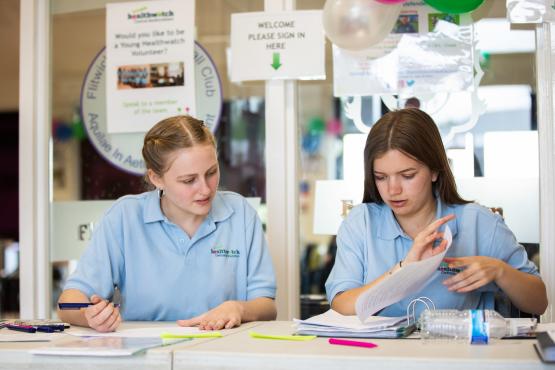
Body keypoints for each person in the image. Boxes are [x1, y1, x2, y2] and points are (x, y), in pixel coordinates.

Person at [58, 115, 277, 332]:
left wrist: (238, 308)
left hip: (221, 352)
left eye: (211, 172)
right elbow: (68, 303)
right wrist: (90, 315)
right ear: (156, 178)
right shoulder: (124, 217)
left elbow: (267, 307)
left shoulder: (240, 214)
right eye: (189, 180)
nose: (206, 189)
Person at [325, 108, 547, 318]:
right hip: (379, 355)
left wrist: (501, 272)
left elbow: (539, 302)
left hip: (461, 355)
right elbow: (341, 304)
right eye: (381, 177)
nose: (393, 190)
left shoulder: (478, 222)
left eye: (408, 175)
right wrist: (404, 270)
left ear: (434, 170)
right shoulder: (361, 222)